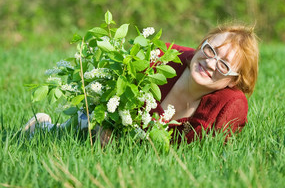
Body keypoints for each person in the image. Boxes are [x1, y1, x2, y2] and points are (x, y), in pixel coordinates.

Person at [23, 23, 259, 145]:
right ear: (201, 44)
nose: (210, 62)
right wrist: (106, 123)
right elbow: (115, 87)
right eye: (210, 50)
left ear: (233, 80)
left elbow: (205, 155)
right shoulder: (161, 57)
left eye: (223, 65)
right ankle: (45, 127)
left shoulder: (229, 106)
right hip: (102, 133)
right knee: (77, 129)